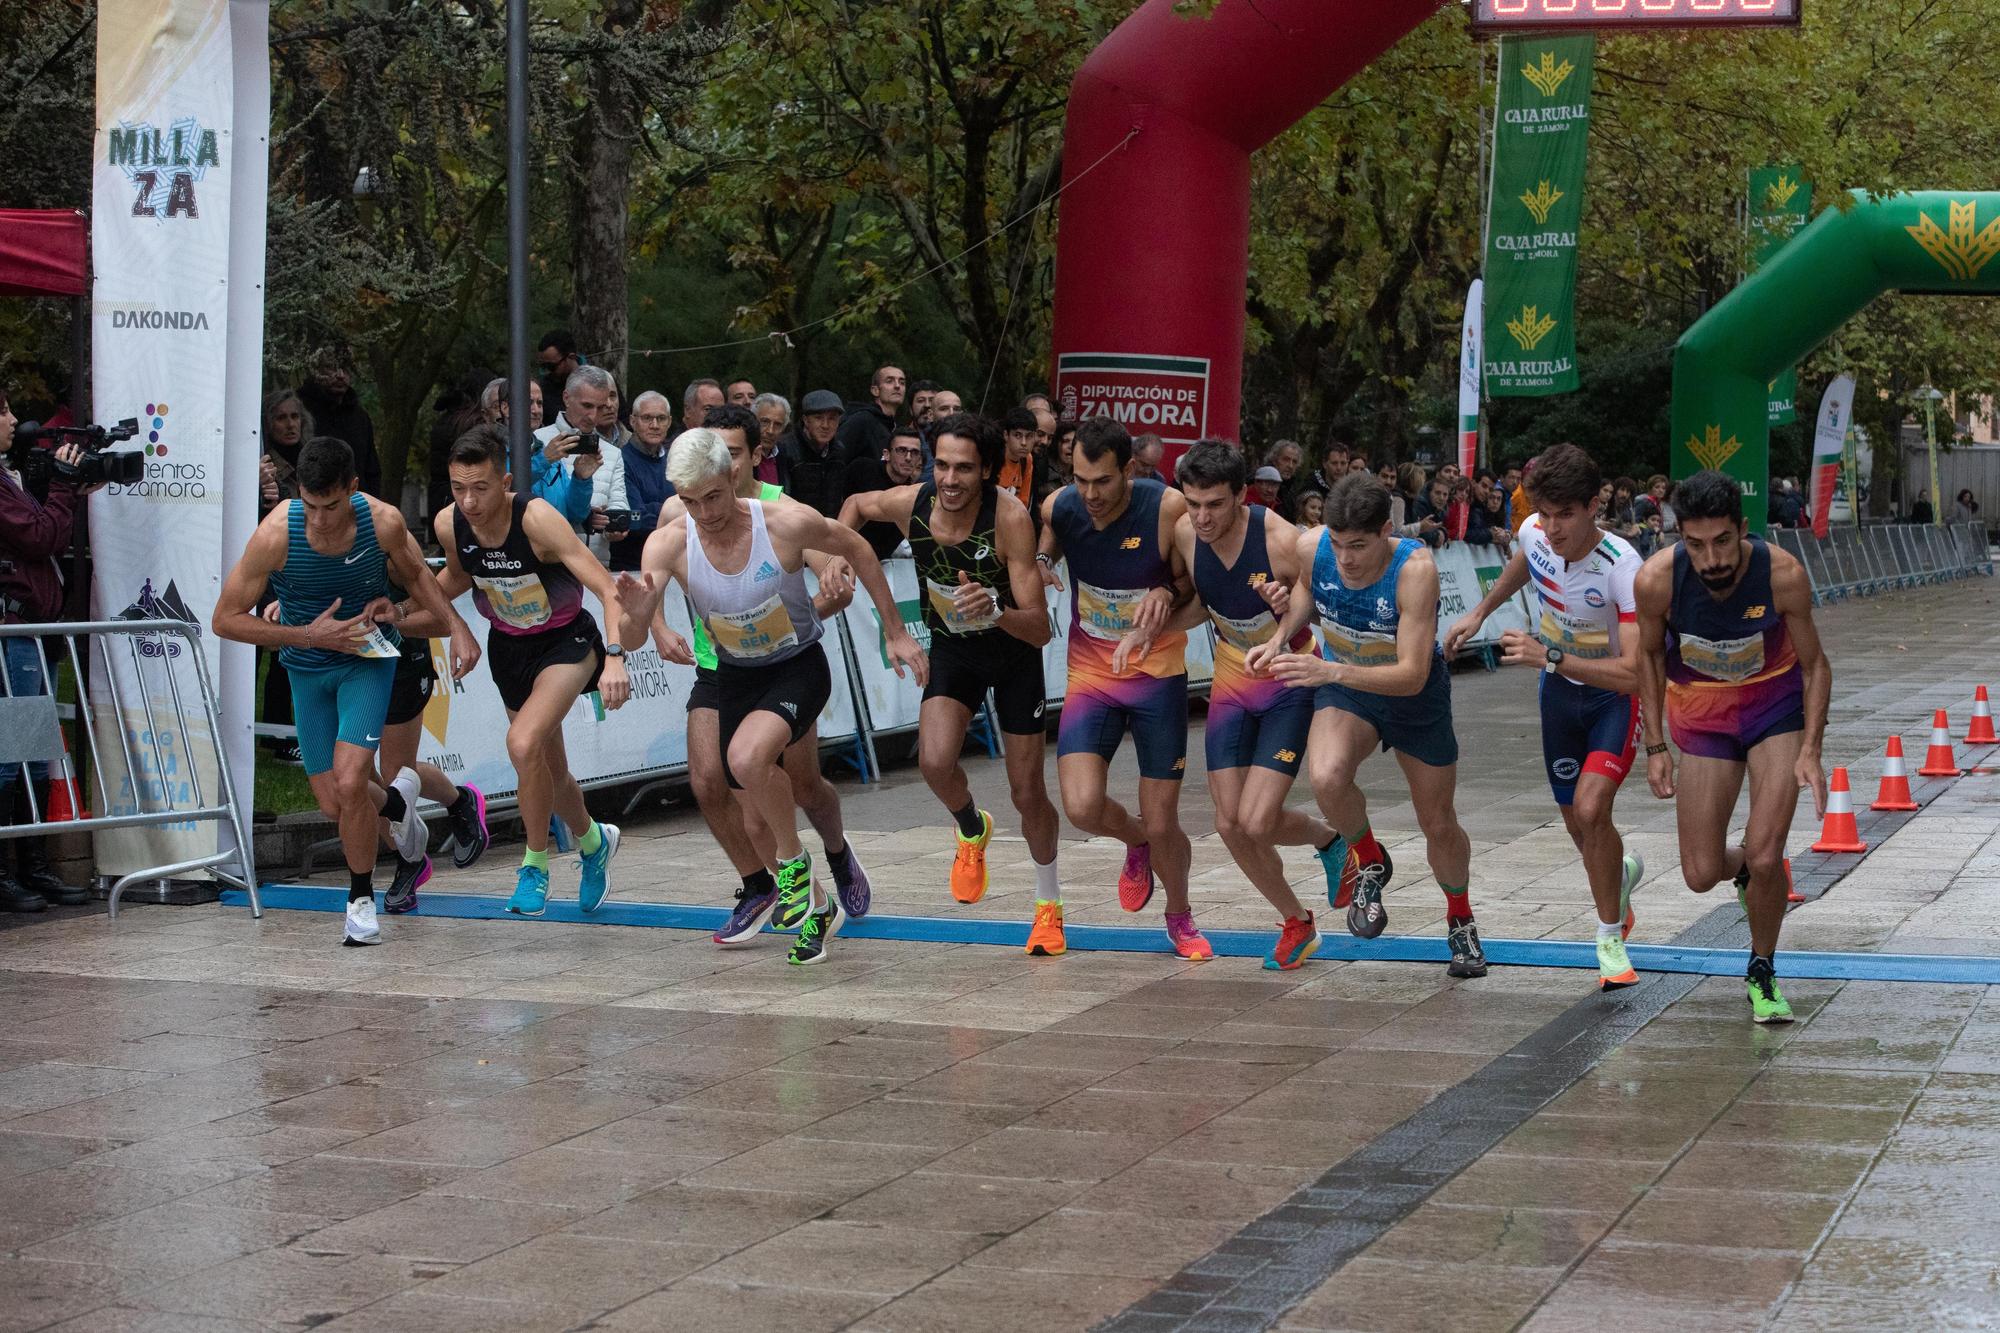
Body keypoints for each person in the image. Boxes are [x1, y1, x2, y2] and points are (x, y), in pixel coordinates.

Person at [622, 429, 924, 965]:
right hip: (737, 672)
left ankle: (803, 863)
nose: (705, 512)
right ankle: (815, 901)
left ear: (733, 477)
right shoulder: (670, 541)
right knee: (747, 786)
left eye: (713, 496)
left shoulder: (782, 522)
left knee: (752, 760)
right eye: (690, 502)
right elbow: (631, 634)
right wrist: (641, 617)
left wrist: (896, 629)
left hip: (797, 665)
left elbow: (855, 545)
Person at [214, 436, 476, 945]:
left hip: (366, 661)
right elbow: (224, 620)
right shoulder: (276, 534)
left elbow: (420, 577)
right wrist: (307, 634)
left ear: (352, 490)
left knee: (352, 779)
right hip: (307, 669)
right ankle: (399, 811)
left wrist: (456, 627)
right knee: (335, 803)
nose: (320, 518)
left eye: (331, 505)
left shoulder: (382, 522)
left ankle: (359, 900)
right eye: (310, 505)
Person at [840, 413, 1069, 950]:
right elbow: (855, 506)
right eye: (940, 464)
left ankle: (1048, 902)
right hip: (954, 650)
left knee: (1026, 790)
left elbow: (1039, 628)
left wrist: (995, 608)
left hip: (1012, 653)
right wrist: (835, 555)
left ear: (987, 471)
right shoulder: (913, 502)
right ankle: (971, 826)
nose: (948, 480)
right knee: (934, 761)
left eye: (964, 469)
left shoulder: (1010, 519)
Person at [1253, 472, 1487, 979]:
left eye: (1358, 546)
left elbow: (1411, 674)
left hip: (1412, 698)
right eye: (1338, 544)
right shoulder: (1312, 546)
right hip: (1347, 687)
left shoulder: (1415, 570)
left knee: (1438, 822)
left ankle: (1460, 919)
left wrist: (1327, 669)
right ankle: (1368, 859)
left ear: (1387, 531)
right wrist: (1280, 637)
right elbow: (1307, 596)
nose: (1346, 559)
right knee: (1327, 775)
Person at [1133, 441, 1348, 969]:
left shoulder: (1281, 539)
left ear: (1241, 498)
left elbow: (1321, 607)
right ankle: (1298, 919)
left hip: (1287, 679)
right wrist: (1158, 609)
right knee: (1228, 824)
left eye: (1215, 505)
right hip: (1232, 675)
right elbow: (1200, 598)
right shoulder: (1185, 532)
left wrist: (1287, 616)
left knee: (1255, 821)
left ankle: (1329, 839)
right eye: (1193, 502)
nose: (1202, 517)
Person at [1446, 444, 1646, 991]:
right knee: (1579, 826)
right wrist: (1479, 611)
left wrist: (1551, 655)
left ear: (1593, 507)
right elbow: (1522, 562)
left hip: (1610, 699)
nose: (1552, 528)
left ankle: (1609, 937)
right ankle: (1619, 877)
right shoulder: (1534, 531)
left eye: (1566, 515)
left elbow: (1633, 674)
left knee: (1591, 806)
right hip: (1559, 697)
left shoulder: (1622, 568)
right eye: (1545, 513)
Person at [1637, 469, 1829, 1022]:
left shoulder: (1782, 574)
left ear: (1742, 530)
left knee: (1768, 855)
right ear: (1678, 538)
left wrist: (1811, 749)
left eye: (1723, 541)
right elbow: (1647, 658)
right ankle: (1748, 871)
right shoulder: (1657, 581)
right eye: (1695, 544)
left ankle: (1762, 970)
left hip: (1774, 712)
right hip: (1705, 719)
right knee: (1699, 873)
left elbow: (1816, 666)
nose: (1712, 558)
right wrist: (1654, 745)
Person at [433, 424, 636, 919]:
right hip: (510, 647)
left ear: (504, 483)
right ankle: (593, 842)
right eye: (459, 489)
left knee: (522, 744)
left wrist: (614, 656)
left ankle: (535, 864)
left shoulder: (537, 519)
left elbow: (607, 588)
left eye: (480, 489)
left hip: (568, 641)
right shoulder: (449, 523)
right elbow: (450, 582)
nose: (469, 503)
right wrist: (424, 620)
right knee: (548, 767)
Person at [1038, 418, 1210, 960]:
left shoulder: (1167, 509)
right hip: (1092, 676)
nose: (1089, 495)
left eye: (1103, 482)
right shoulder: (1060, 506)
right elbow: (1049, 533)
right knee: (1083, 807)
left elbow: (1201, 584)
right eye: (1080, 480)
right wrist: (1043, 560)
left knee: (1164, 820)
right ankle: (1135, 840)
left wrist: (1165, 588)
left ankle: (1179, 916)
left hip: (1156, 678)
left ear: (1130, 471)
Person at [0, 396, 103, 912]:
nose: (14, 421)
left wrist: (61, 484)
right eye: (4, 412)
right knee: (10, 757)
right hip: (12, 637)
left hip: (29, 633)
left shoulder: (7, 477)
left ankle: (33, 868)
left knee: (35, 758)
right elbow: (39, 535)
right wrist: (63, 485)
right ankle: (7, 875)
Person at [296, 346, 383, 500]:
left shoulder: (360, 417)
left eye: (345, 368)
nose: (340, 375)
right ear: (316, 370)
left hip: (355, 506)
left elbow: (371, 470)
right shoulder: (299, 412)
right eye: (331, 368)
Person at [530, 367, 610, 531]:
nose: (536, 410)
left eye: (540, 403)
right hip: (522, 551)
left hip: (564, 552)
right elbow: (506, 489)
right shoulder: (538, 444)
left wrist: (581, 480)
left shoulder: (547, 451)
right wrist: (544, 460)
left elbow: (575, 515)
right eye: (587, 405)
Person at [611, 391, 675, 572]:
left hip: (671, 564)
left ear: (669, 422)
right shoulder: (621, 460)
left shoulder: (675, 460)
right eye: (647, 418)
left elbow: (691, 510)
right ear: (632, 421)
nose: (654, 425)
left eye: (661, 418)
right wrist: (674, 513)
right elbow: (636, 520)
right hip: (630, 567)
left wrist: (653, 508)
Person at [842, 424, 925, 558]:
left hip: (879, 561)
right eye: (901, 450)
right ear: (886, 454)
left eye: (914, 452)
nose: (908, 457)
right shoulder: (861, 470)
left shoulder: (914, 495)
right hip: (841, 550)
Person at [777, 389, 850, 517]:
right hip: (793, 525)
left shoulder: (839, 451)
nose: (825, 425)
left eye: (832, 419)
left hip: (828, 527)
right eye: (818, 418)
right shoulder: (785, 448)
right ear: (805, 420)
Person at [836, 365, 906, 464]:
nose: (897, 386)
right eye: (889, 381)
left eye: (902, 382)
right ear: (875, 390)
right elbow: (837, 458)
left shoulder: (894, 427)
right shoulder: (861, 420)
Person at [752, 393, 791, 485]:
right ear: (753, 421)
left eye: (777, 425)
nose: (770, 431)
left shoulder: (785, 456)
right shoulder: (743, 457)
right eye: (765, 422)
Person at [536, 329, 582, 404]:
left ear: (571, 357)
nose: (547, 371)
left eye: (551, 366)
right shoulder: (543, 389)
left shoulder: (595, 383)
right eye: (543, 366)